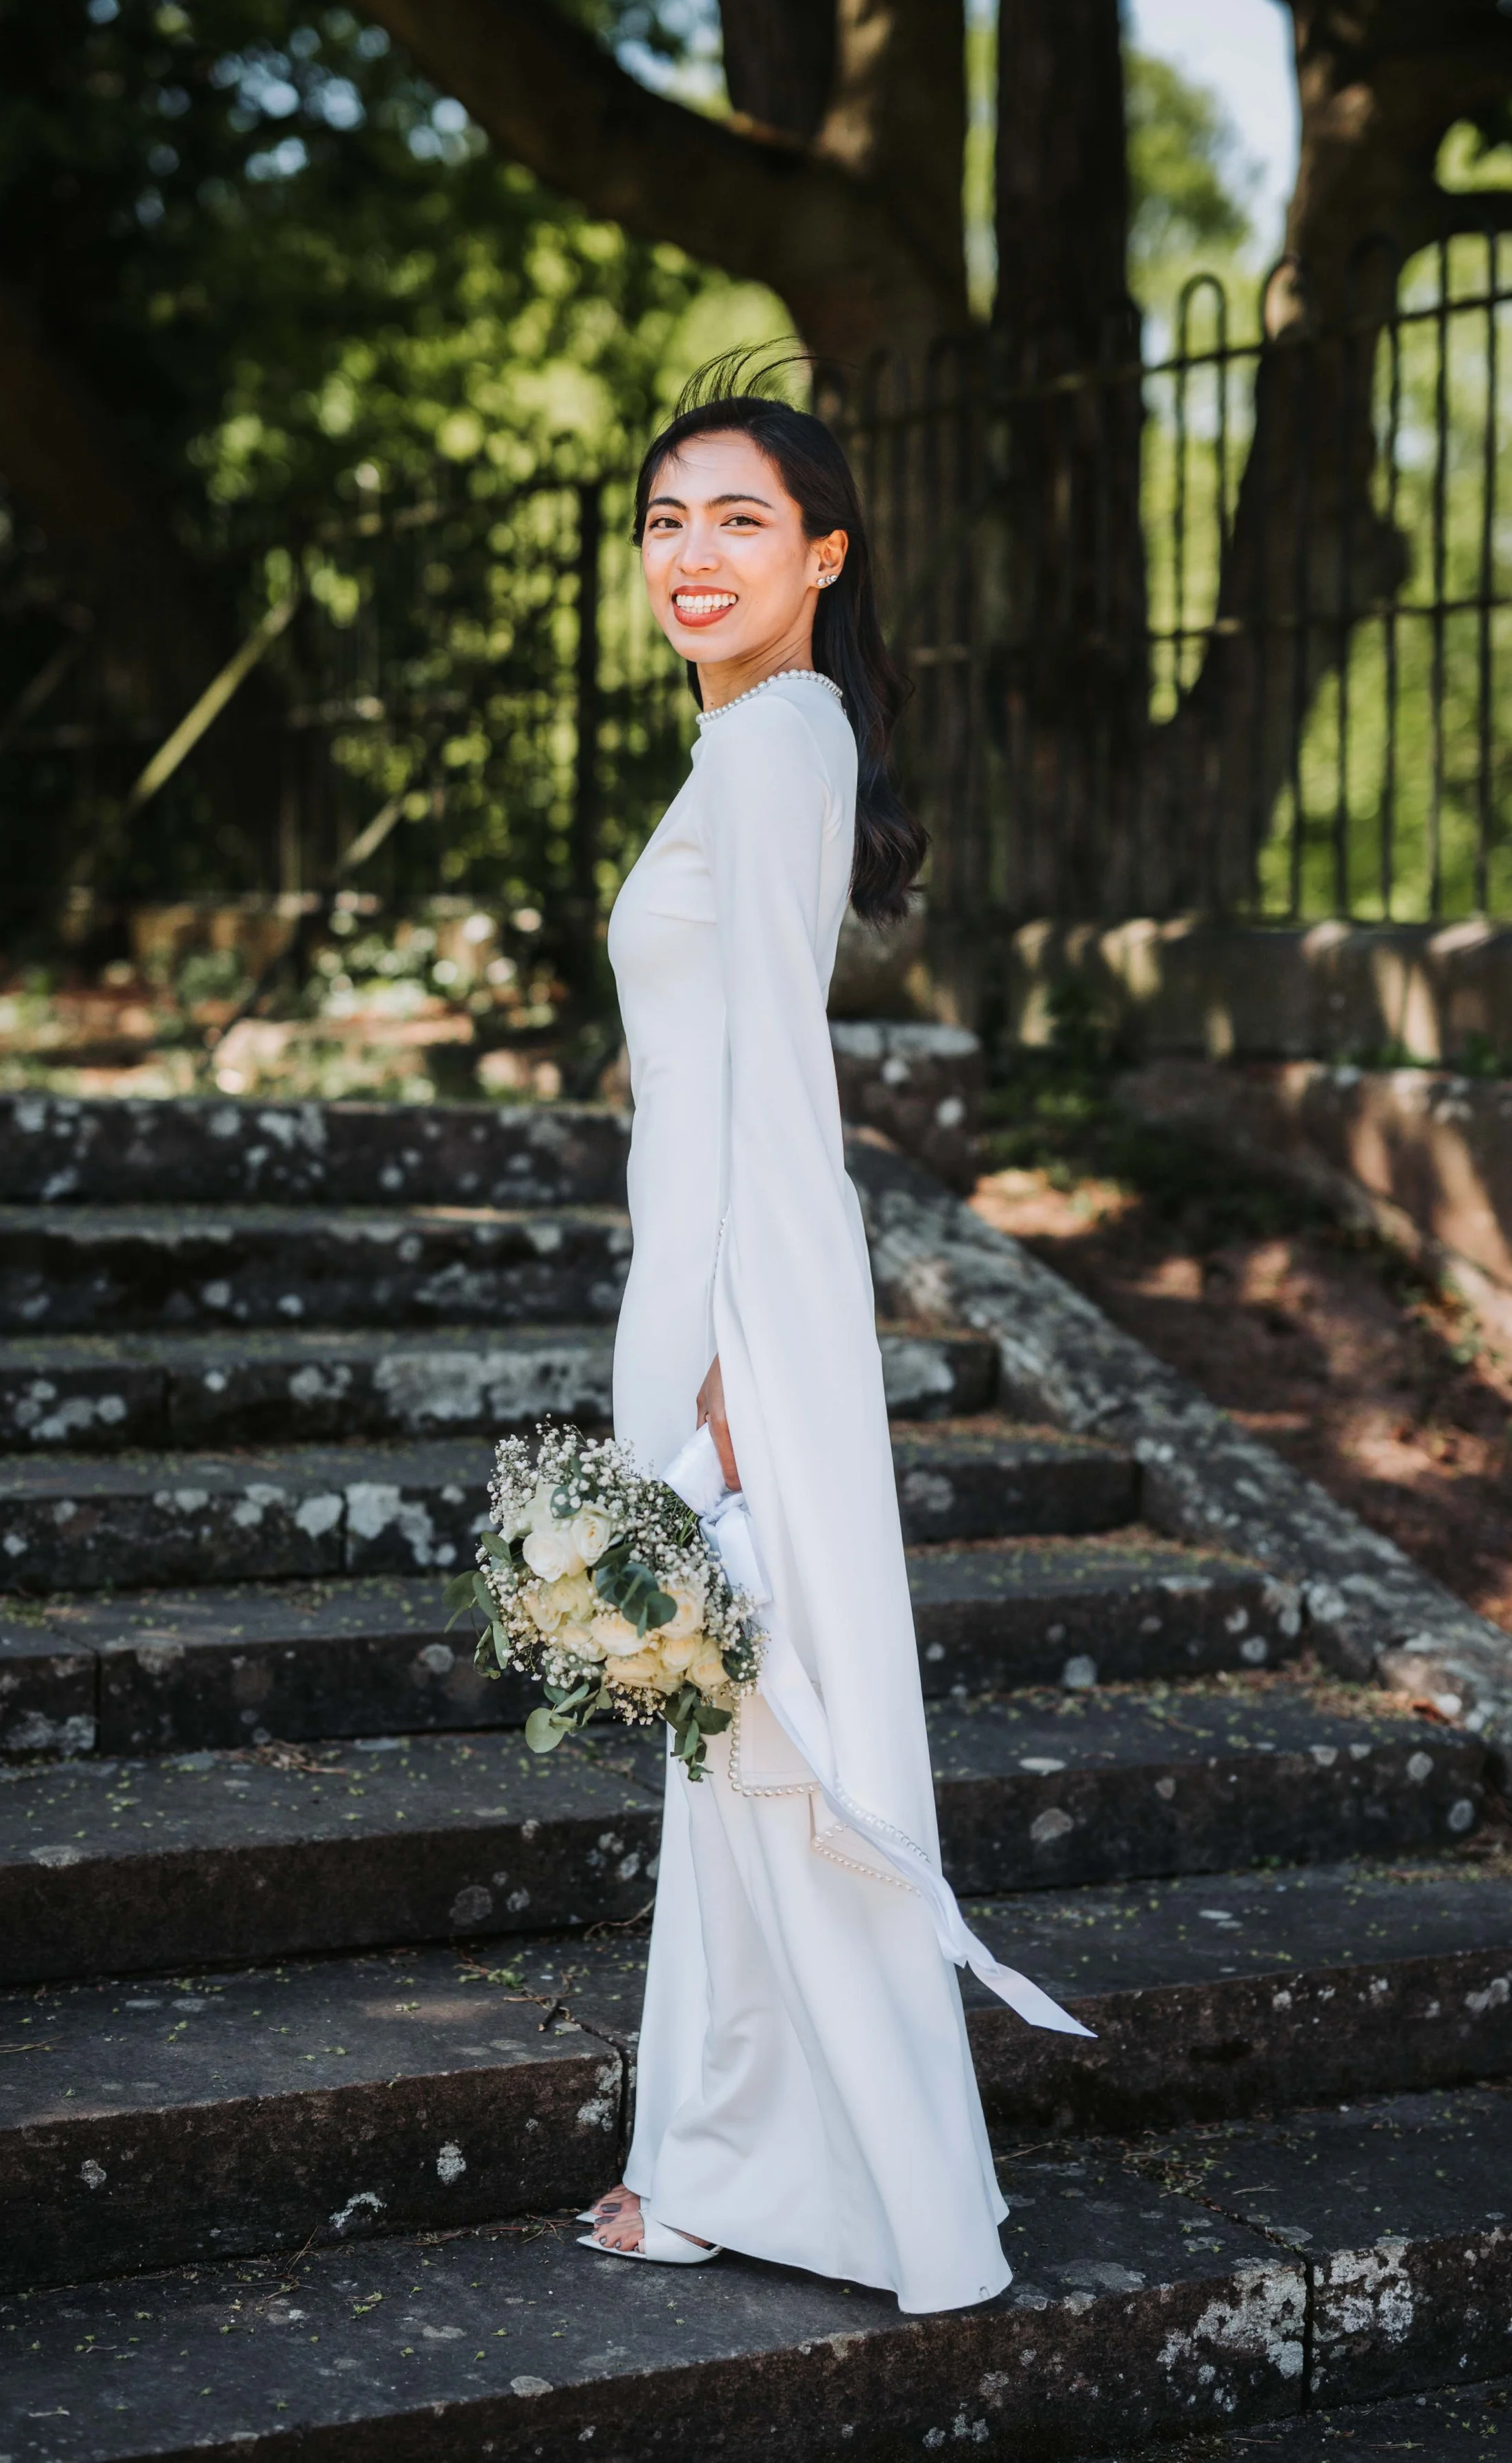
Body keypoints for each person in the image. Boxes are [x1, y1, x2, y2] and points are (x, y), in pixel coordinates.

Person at [579, 363, 1081, 2313]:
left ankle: (873, 2192)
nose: (691, 556)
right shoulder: (772, 738)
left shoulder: (772, 743)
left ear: (822, 557)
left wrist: (720, 1358)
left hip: (729, 1298)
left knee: (765, 1726)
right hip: (702, 1279)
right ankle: (710, 2163)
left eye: (737, 522)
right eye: (661, 523)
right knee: (730, 1732)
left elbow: (772, 1087)